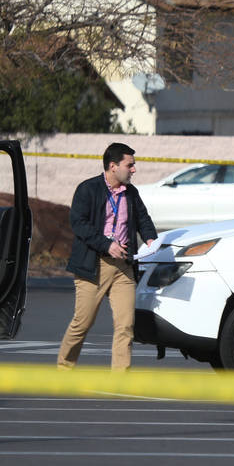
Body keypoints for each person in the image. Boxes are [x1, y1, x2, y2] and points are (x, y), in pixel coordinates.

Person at [57, 142, 158, 371]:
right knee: (82, 323)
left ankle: (120, 378)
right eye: (129, 165)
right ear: (113, 166)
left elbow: (142, 219)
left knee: (125, 326)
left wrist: (152, 240)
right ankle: (64, 368)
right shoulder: (88, 189)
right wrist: (106, 244)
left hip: (123, 266)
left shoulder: (131, 193)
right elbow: (78, 223)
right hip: (93, 265)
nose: (134, 169)